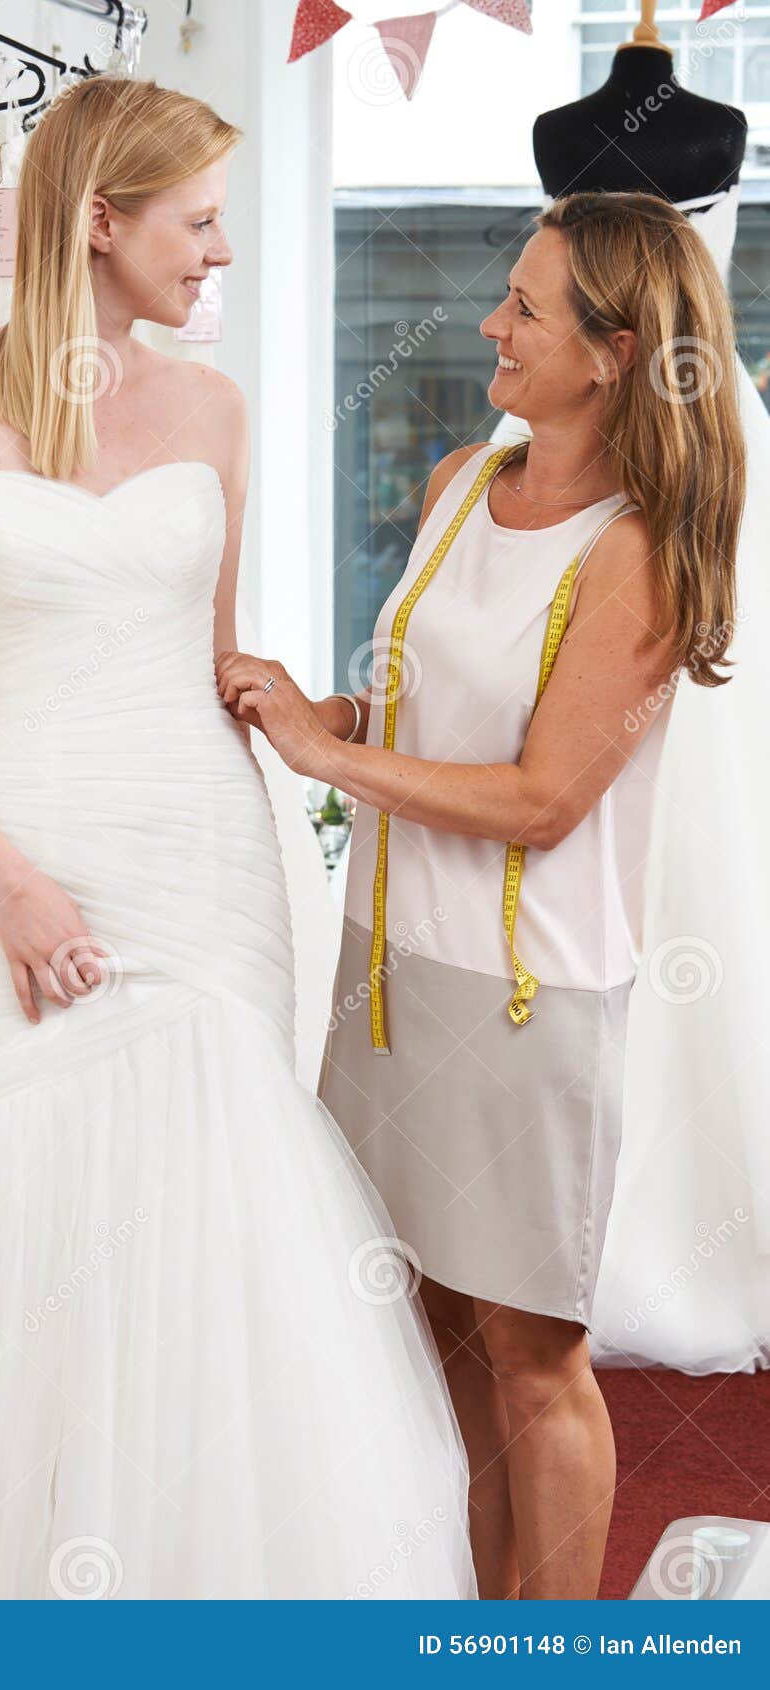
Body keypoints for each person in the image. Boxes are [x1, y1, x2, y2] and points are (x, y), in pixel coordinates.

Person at [0, 76, 476, 1600]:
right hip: (16, 844)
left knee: (216, 1223)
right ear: (98, 222)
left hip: (203, 853)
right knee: (24, 1216)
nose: (220, 253)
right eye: (197, 221)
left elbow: (209, 650)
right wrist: (9, 881)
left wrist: (306, 710)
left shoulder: (216, 409)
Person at [219, 191, 744, 1598]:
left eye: (525, 307)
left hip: (525, 1003)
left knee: (534, 1356)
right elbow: (403, 713)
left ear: (615, 354)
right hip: (386, 972)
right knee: (428, 1327)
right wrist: (300, 706)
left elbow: (540, 798)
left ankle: (555, 1645)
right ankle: (479, 1617)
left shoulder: (636, 550)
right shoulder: (462, 480)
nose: (489, 324)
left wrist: (331, 754)